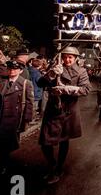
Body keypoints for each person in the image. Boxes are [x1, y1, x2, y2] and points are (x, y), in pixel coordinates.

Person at [37, 46, 91, 184]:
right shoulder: (55, 69)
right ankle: (52, 164)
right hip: (53, 109)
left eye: (70, 57)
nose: (67, 60)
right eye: (65, 57)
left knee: (63, 140)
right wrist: (51, 75)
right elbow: (40, 83)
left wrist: (68, 89)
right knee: (45, 142)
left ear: (75, 59)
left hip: (68, 110)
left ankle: (58, 168)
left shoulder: (81, 71)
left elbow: (86, 89)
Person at [0, 59, 34, 173]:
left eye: (15, 69)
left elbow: (29, 102)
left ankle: (5, 163)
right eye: (10, 68)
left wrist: (27, 118)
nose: (12, 71)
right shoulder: (0, 81)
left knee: (8, 141)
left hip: (14, 117)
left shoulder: (26, 83)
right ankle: (1, 157)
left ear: (20, 71)